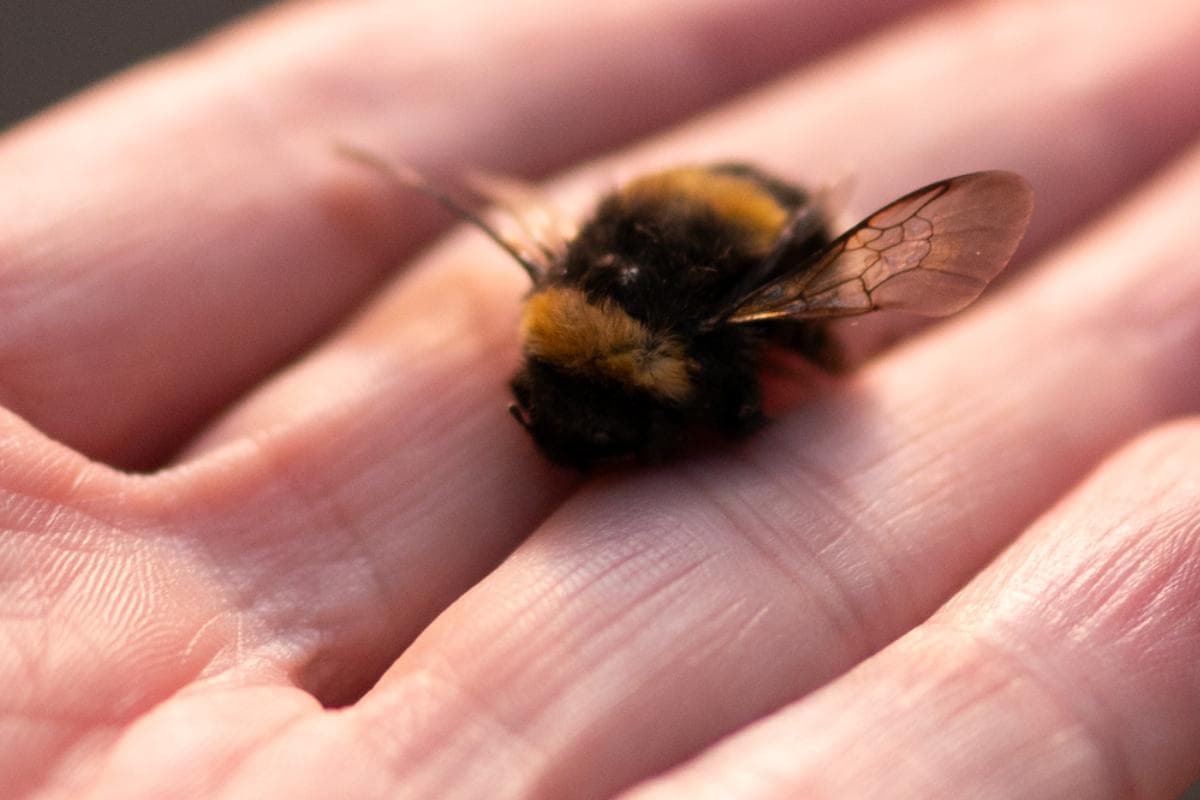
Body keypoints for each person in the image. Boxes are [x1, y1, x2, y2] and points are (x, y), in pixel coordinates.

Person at [2, 1, 1199, 797]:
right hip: (673, 213)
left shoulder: (731, 328)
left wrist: (801, 366)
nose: (564, 438)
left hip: (757, 228)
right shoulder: (577, 314)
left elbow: (756, 377)